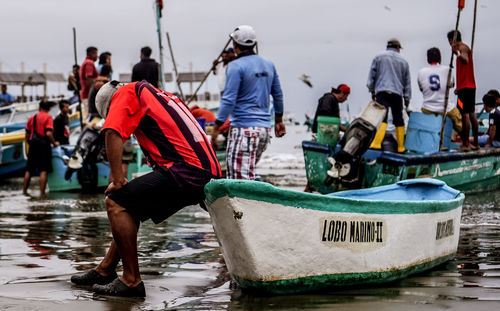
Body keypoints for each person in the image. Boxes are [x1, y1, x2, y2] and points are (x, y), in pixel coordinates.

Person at [70, 80, 221, 297]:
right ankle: (105, 269)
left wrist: (118, 178)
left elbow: (112, 132)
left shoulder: (127, 92)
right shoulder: (161, 96)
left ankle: (131, 280)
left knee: (116, 201)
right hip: (204, 170)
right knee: (131, 206)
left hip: (186, 170)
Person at [210, 25, 286, 180]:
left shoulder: (235, 66)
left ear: (235, 45)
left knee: (239, 181)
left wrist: (216, 128)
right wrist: (279, 120)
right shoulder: (269, 65)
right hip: (264, 131)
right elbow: (277, 94)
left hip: (243, 130)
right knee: (248, 175)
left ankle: (248, 204)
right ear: (254, 44)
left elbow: (229, 99)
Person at [367, 38, 411, 153]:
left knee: (382, 117)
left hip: (382, 91)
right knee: (399, 119)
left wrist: (372, 91)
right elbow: (407, 82)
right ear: (398, 48)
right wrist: (407, 99)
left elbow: (371, 77)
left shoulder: (378, 57)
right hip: (397, 93)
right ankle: (401, 147)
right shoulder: (404, 61)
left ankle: (376, 143)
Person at [417, 47, 462, 133]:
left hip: (427, 108)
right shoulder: (448, 70)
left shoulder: (421, 72)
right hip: (446, 108)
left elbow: (421, 89)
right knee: (460, 125)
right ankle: (464, 141)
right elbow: (452, 85)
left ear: (428, 59)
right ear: (440, 58)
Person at [448, 30, 479, 151]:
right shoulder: (464, 47)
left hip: (465, 88)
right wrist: (457, 87)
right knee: (471, 114)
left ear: (451, 41)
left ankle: (466, 144)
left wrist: (456, 53)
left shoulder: (462, 48)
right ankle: (475, 143)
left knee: (464, 114)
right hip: (466, 87)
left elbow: (465, 60)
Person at [23, 100, 59, 199]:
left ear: (39, 107)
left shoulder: (32, 118)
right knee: (43, 170)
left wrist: (28, 143)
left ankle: (24, 192)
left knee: (29, 170)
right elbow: (48, 133)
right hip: (44, 145)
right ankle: (42, 194)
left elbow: (27, 134)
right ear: (49, 108)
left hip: (33, 145)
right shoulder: (48, 117)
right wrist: (54, 142)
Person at [79, 46, 99, 119]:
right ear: (92, 53)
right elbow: (89, 79)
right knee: (88, 117)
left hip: (86, 94)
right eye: (96, 54)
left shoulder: (85, 62)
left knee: (87, 116)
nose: (97, 56)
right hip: (88, 95)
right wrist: (94, 94)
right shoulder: (89, 63)